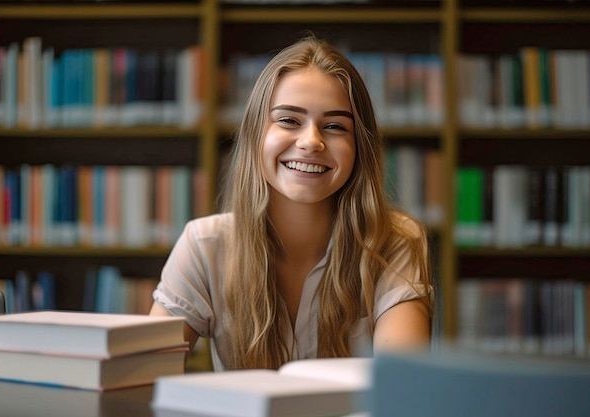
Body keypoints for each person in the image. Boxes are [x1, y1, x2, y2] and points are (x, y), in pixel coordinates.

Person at [150, 35, 434, 371]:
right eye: (288, 120)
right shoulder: (204, 246)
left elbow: (401, 387)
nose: (311, 141)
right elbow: (142, 378)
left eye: (334, 126)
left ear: (360, 148)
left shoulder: (394, 242)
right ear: (257, 133)